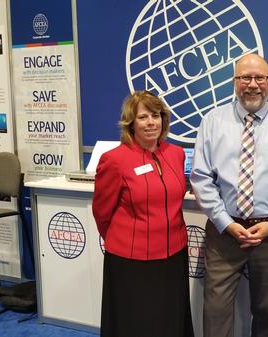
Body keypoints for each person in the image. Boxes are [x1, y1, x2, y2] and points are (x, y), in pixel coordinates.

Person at [190, 54, 268, 337]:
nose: (253, 85)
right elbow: (201, 178)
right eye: (245, 78)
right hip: (224, 232)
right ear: (234, 81)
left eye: (260, 78)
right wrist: (225, 222)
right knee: (215, 310)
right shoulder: (212, 121)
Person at [92, 91, 194, 337]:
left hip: (173, 254)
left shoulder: (176, 154)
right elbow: (102, 212)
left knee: (169, 319)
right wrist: (123, 239)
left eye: (156, 115)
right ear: (130, 123)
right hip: (131, 260)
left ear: (163, 119)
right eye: (143, 117)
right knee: (137, 323)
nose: (151, 123)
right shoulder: (114, 160)